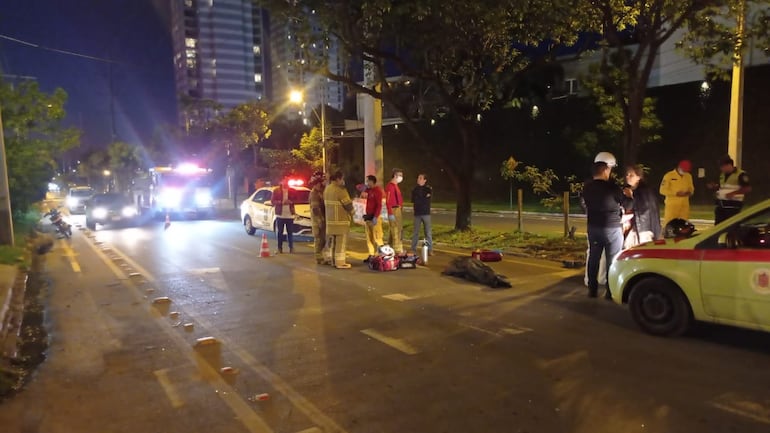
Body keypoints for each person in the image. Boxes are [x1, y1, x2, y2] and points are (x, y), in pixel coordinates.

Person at [583, 159, 632, 299]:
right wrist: (629, 195)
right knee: (612, 260)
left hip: (593, 228)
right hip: (612, 229)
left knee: (594, 258)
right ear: (605, 171)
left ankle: (592, 290)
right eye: (609, 170)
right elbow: (628, 205)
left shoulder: (587, 187)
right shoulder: (612, 188)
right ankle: (610, 292)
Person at [624, 165, 662, 248]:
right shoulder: (636, 190)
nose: (628, 177)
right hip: (640, 228)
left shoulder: (643, 191)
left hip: (643, 230)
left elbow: (640, 209)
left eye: (631, 175)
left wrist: (630, 197)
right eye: (627, 174)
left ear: (639, 177)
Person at [324, 171, 355, 269]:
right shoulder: (340, 190)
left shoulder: (327, 189)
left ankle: (333, 261)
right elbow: (348, 205)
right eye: (342, 179)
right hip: (340, 221)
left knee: (333, 243)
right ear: (338, 179)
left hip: (330, 221)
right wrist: (354, 214)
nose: (343, 181)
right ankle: (340, 262)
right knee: (340, 244)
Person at [708, 155, 751, 224]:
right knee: (718, 227)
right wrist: (715, 187)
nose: (721, 169)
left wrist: (733, 193)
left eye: (722, 166)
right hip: (721, 206)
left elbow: (747, 188)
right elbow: (724, 187)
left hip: (733, 206)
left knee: (731, 227)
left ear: (729, 165)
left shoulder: (741, 174)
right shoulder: (722, 175)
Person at [659, 160, 694, 224]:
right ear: (679, 167)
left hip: (684, 205)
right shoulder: (669, 175)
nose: (685, 171)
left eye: (686, 170)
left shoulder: (688, 176)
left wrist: (689, 192)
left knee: (684, 223)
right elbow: (662, 190)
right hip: (672, 205)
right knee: (669, 223)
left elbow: (691, 188)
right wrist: (675, 193)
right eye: (684, 169)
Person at [308, 171, 329, 264]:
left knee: (323, 239)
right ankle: (318, 257)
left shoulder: (321, 192)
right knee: (318, 238)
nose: (321, 185)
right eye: (320, 183)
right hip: (317, 220)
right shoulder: (314, 194)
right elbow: (315, 209)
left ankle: (320, 256)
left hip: (322, 218)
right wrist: (320, 220)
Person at [362, 175, 385, 259]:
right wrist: (365, 188)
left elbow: (379, 205)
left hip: (375, 217)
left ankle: (382, 255)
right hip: (368, 217)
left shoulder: (377, 191)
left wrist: (375, 217)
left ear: (372, 181)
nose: (366, 183)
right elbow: (358, 186)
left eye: (368, 181)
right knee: (369, 238)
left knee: (377, 237)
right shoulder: (369, 190)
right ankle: (371, 255)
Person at [410, 173, 433, 255]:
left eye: (420, 178)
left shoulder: (428, 189)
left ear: (424, 180)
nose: (418, 179)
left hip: (426, 213)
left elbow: (427, 199)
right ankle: (413, 249)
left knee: (428, 232)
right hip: (417, 213)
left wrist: (420, 199)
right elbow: (413, 200)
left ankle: (430, 249)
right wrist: (422, 198)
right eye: (418, 178)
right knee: (415, 232)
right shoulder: (415, 189)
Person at [384, 168, 405, 254]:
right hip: (393, 209)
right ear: (395, 176)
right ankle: (398, 250)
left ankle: (390, 247)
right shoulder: (390, 186)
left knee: (396, 230)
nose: (401, 177)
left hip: (398, 209)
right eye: (400, 175)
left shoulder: (395, 186)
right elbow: (388, 201)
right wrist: (390, 213)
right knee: (396, 230)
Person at [273, 177, 296, 254]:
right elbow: (273, 201)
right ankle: (279, 248)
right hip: (280, 215)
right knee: (280, 232)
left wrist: (291, 202)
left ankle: (291, 248)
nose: (286, 182)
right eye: (284, 181)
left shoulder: (292, 191)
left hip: (290, 215)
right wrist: (281, 202)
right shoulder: (276, 191)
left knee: (290, 232)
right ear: (281, 181)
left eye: (287, 181)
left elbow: (296, 199)